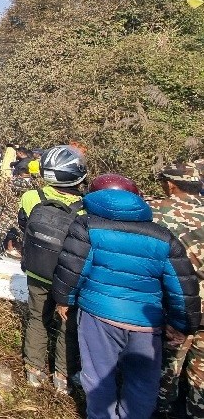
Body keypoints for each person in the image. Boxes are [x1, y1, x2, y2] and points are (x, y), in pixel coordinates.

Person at [53, 174, 201, 419]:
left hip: (98, 316)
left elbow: (72, 268)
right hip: (146, 323)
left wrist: (63, 299)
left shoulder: (87, 226)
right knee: (142, 384)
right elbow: (182, 285)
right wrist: (183, 324)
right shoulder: (163, 236)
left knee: (99, 377)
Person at [18, 145, 87, 392]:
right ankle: (62, 376)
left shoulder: (31, 197)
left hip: (37, 271)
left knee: (37, 318)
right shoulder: (85, 207)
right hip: (69, 278)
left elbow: (24, 226)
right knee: (68, 326)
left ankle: (34, 371)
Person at [152, 163, 204, 417]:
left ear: (171, 185)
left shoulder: (159, 213)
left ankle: (160, 410)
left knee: (165, 365)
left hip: (176, 304)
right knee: (201, 375)